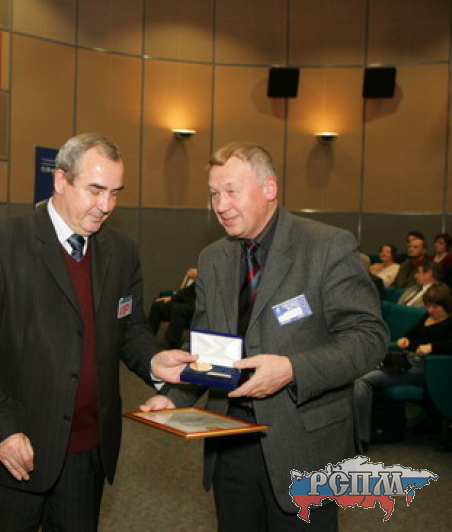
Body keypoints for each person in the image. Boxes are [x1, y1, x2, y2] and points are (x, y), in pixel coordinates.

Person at [141, 141, 388, 531]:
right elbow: (208, 345)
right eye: (214, 194)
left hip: (306, 446)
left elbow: (369, 338)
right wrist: (173, 397)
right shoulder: (213, 258)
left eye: (231, 191)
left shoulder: (327, 246)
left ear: (269, 188)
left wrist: (292, 369)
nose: (220, 205)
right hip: (230, 442)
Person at [0, 133, 191, 531]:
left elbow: (130, 328)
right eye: (95, 190)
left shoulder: (122, 252)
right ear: (61, 180)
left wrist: (154, 360)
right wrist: (0, 430)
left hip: (88, 449)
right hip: (16, 447)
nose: (106, 206)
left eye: (115, 193)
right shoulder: (1, 242)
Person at [355, 283, 452, 447]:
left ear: (447, 305)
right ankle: (353, 430)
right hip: (405, 362)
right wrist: (405, 339)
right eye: (428, 306)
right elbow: (410, 333)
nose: (430, 310)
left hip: (426, 370)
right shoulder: (427, 317)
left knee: (365, 380)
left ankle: (361, 437)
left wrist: (433, 347)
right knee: (357, 372)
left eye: (436, 307)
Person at [148, 267, 198, 348]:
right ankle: (147, 337)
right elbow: (187, 291)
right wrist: (171, 298)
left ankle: (172, 344)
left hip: (200, 306)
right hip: (186, 303)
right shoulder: (200, 278)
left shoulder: (211, 276)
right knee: (158, 305)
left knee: (178, 309)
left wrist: (198, 276)